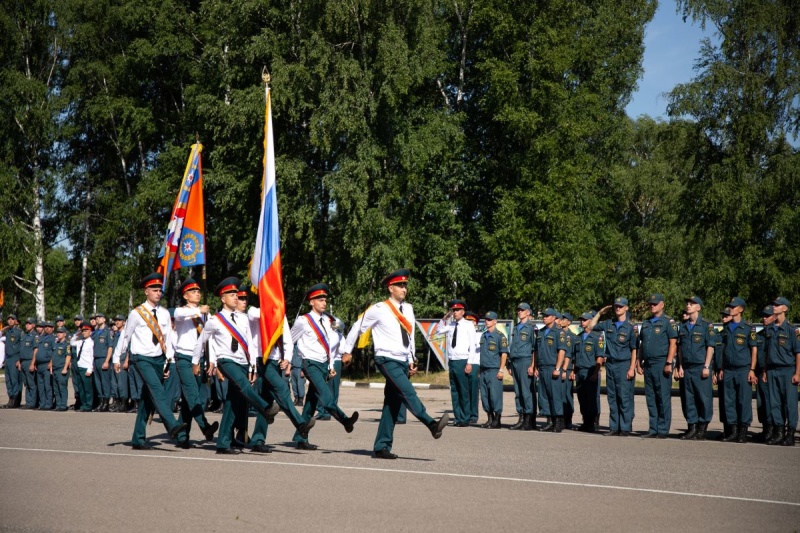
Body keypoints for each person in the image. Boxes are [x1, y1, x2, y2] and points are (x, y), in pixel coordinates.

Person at [341, 269, 449, 459]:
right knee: (408, 391)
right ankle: (431, 424)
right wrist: (348, 350)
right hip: (386, 358)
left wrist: (412, 359)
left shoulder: (408, 309)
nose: (404, 289)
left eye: (405, 285)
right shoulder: (379, 309)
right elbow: (358, 326)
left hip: (401, 360)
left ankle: (382, 446)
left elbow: (410, 337)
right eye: (400, 285)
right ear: (390, 288)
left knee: (392, 403)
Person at [191, 276, 279, 454]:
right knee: (243, 385)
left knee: (233, 401)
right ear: (223, 299)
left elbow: (251, 343)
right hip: (226, 361)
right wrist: (196, 362)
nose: (235, 297)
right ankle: (265, 408)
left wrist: (253, 366)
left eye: (236, 294)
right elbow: (202, 342)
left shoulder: (244, 318)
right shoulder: (215, 320)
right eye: (231, 294)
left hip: (242, 362)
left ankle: (223, 443)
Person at [116, 273, 189, 450]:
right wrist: (117, 357)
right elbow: (126, 336)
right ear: (146, 291)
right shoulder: (136, 313)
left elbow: (168, 338)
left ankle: (138, 438)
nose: (158, 293)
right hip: (141, 358)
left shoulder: (164, 314)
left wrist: (169, 360)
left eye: (160, 290)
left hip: (158, 359)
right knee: (157, 390)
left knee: (147, 399)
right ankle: (173, 426)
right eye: (154, 290)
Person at [290, 283, 359, 450]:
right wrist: (287, 361)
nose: (324, 302)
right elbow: (290, 340)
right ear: (311, 302)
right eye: (320, 299)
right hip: (310, 363)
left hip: (323, 364)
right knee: (326, 397)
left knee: (311, 402)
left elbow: (329, 345)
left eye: (325, 299)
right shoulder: (303, 321)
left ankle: (301, 437)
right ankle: (345, 421)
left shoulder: (328, 321)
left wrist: (330, 365)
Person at [249, 311, 316, 453]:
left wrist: (287, 358)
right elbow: (252, 316)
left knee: (266, 402)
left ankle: (257, 440)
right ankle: (300, 423)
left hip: (277, 361)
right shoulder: (255, 311)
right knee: (283, 389)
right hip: (262, 360)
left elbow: (287, 339)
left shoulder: (280, 315)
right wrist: (269, 308)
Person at [166, 278, 219, 443]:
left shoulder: (205, 314)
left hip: (200, 358)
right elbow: (176, 313)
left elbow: (210, 338)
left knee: (192, 398)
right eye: (193, 292)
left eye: (198, 291)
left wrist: (212, 360)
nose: (197, 293)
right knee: (192, 394)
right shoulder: (183, 311)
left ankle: (182, 435)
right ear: (186, 296)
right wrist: (198, 311)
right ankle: (205, 427)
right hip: (184, 357)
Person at [589, 298, 637, 436]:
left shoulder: (630, 327)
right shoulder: (609, 324)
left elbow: (634, 348)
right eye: (616, 306)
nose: (618, 309)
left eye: (621, 306)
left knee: (624, 397)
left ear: (626, 308)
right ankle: (614, 427)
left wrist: (631, 367)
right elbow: (591, 326)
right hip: (610, 364)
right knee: (612, 397)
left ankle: (625, 427)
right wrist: (599, 313)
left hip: (624, 364)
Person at [637, 293, 678, 438]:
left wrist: (669, 362)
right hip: (648, 364)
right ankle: (653, 428)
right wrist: (639, 361)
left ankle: (662, 429)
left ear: (662, 304)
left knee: (662, 397)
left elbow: (673, 344)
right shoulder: (647, 323)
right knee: (651, 397)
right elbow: (642, 345)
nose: (652, 306)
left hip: (661, 363)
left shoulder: (668, 322)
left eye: (655, 304)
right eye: (650, 304)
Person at [718, 296, 758, 443]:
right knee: (729, 401)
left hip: (743, 369)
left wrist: (752, 369)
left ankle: (743, 431)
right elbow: (724, 349)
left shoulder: (748, 328)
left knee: (743, 401)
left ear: (741, 309)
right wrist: (722, 367)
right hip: (728, 369)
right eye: (730, 306)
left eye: (733, 307)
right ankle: (733, 431)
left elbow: (754, 350)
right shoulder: (727, 328)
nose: (731, 309)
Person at [675, 296, 715, 440]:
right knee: (688, 398)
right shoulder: (683, 326)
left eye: (692, 304)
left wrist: (707, 366)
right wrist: (679, 366)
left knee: (703, 398)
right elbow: (680, 348)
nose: (688, 305)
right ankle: (691, 427)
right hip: (686, 367)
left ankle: (702, 428)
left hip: (700, 367)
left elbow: (710, 347)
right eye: (687, 303)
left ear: (698, 307)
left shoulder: (706, 325)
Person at [435, 300, 479, 427]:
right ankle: (458, 417)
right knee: (454, 390)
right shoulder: (451, 325)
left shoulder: (468, 325)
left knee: (463, 390)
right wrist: (444, 319)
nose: (455, 313)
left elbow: (472, 345)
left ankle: (465, 417)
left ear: (463, 312)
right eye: (453, 310)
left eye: (457, 310)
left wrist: (469, 362)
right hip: (453, 361)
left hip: (462, 360)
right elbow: (439, 331)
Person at [764, 297, 799, 446]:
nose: (774, 307)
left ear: (785, 308)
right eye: (773, 304)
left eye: (777, 305)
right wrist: (765, 370)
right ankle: (779, 432)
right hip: (772, 370)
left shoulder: (792, 330)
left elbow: (798, 353)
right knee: (774, 403)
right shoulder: (769, 328)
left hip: (787, 370)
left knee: (789, 403)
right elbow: (767, 352)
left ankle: (790, 433)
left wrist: (798, 373)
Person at [535, 308, 569, 433]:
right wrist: (536, 367)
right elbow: (537, 351)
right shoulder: (541, 332)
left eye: (547, 316)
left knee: (555, 396)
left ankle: (558, 422)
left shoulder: (558, 332)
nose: (545, 318)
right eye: (544, 316)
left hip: (552, 367)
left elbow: (562, 351)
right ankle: (549, 421)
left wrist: (558, 368)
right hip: (543, 367)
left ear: (554, 318)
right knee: (544, 396)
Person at [572, 312, 604, 432]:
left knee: (592, 398)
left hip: (590, 371)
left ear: (591, 321)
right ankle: (585, 421)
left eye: (585, 320)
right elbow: (575, 356)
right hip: (580, 371)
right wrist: (574, 371)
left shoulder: (597, 337)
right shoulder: (578, 337)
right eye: (581, 320)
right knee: (582, 398)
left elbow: (599, 356)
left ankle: (593, 422)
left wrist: (596, 372)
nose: (582, 322)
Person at [508, 303, 537, 431]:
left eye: (522, 310)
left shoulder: (532, 328)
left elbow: (535, 348)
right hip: (515, 361)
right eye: (518, 310)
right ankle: (521, 417)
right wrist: (509, 363)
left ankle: (529, 419)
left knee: (526, 391)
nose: (519, 312)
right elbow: (513, 346)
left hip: (526, 361)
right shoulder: (516, 327)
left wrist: (533, 365)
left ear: (528, 312)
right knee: (518, 392)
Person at [478, 311, 508, 429]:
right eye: (486, 319)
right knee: (485, 396)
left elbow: (504, 354)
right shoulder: (483, 335)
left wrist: (501, 370)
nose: (487, 321)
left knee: (495, 396)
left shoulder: (500, 336)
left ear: (495, 321)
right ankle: (489, 418)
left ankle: (497, 420)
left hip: (494, 369)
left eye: (489, 320)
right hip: (484, 369)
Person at [316, 312, 346, 421]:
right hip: (331, 361)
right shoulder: (335, 335)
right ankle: (326, 411)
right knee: (329, 387)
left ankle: (327, 412)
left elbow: (341, 350)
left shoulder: (337, 336)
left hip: (333, 361)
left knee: (329, 387)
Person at [755, 305, 775, 442]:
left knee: (771, 402)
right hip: (759, 372)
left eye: (767, 316)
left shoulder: (776, 334)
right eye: (763, 316)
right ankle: (765, 428)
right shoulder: (759, 335)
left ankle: (773, 429)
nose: (764, 318)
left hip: (772, 373)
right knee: (761, 402)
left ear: (775, 317)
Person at [70, 321, 95, 412]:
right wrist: (77, 334)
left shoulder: (91, 343)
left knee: (87, 388)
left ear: (90, 332)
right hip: (79, 366)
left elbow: (92, 357)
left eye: (86, 331)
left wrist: (89, 369)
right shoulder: (80, 342)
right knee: (81, 387)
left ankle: (88, 405)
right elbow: (72, 342)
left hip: (86, 367)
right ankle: (83, 404)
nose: (84, 332)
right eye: (83, 331)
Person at [91, 313, 114, 412]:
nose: (97, 319)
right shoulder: (95, 333)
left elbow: (110, 347)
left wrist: (107, 361)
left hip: (103, 359)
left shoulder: (108, 332)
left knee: (105, 382)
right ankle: (100, 402)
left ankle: (106, 403)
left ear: (104, 319)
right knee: (98, 382)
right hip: (95, 359)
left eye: (99, 317)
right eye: (96, 318)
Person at [559, 312, 577, 429]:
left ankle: (568, 419)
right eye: (561, 318)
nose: (562, 320)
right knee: (559, 394)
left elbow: (574, 355)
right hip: (558, 368)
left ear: (569, 322)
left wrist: (572, 371)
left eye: (564, 319)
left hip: (568, 368)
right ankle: (560, 418)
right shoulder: (558, 334)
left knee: (567, 395)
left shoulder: (572, 337)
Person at [31, 321, 55, 410]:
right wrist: (34, 362)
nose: (47, 328)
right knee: (40, 386)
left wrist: (51, 363)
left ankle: (48, 404)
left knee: (47, 385)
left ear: (53, 328)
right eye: (46, 326)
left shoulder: (53, 338)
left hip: (47, 364)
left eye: (49, 326)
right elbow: (36, 350)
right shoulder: (41, 337)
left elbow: (54, 352)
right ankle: (42, 403)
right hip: (39, 364)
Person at [1, 315, 23, 408]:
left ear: (16, 321)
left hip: (15, 357)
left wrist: (19, 359)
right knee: (8, 380)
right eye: (8, 319)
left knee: (14, 380)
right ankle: (10, 399)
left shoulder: (19, 332)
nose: (10, 321)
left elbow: (21, 347)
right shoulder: (8, 332)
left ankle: (15, 400)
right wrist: (4, 329)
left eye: (12, 319)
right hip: (8, 358)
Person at [18, 317, 39, 408]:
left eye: (29, 323)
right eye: (26, 323)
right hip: (23, 361)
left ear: (33, 325)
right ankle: (28, 401)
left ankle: (32, 403)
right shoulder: (24, 335)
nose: (27, 325)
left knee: (31, 383)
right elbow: (21, 350)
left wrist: (32, 363)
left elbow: (35, 350)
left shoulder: (35, 336)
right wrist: (19, 362)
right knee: (26, 383)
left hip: (29, 361)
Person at [51, 326, 72, 411]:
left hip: (61, 368)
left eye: (61, 332)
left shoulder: (66, 345)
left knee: (62, 387)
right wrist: (52, 367)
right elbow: (53, 356)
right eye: (58, 332)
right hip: (55, 368)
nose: (59, 334)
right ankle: (58, 405)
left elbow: (68, 356)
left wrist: (65, 368)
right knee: (56, 388)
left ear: (64, 334)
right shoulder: (56, 344)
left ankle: (63, 405)